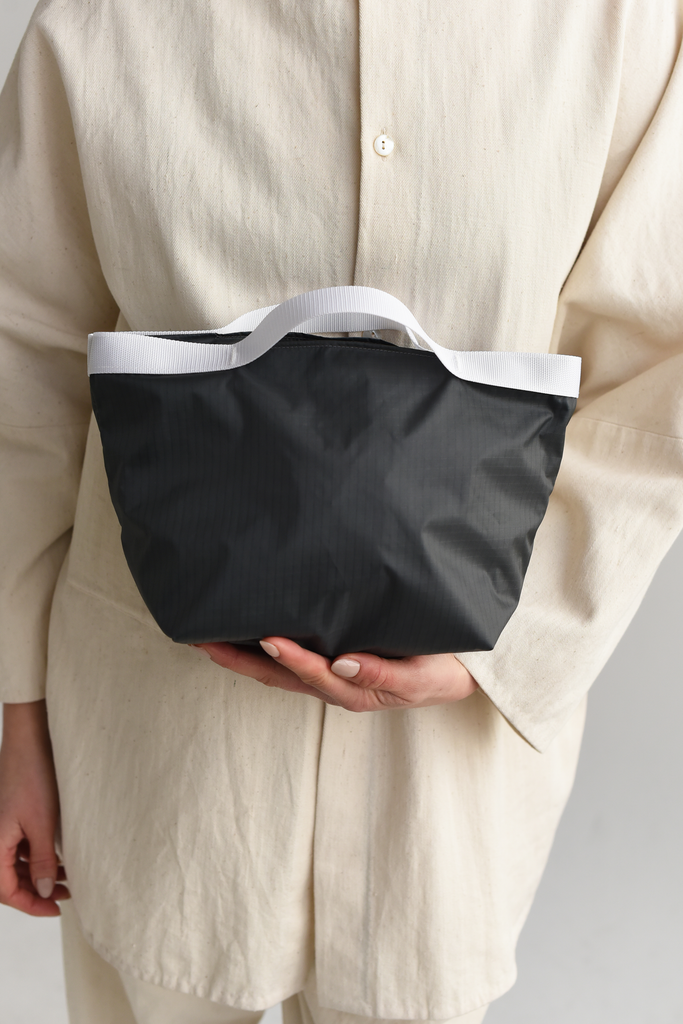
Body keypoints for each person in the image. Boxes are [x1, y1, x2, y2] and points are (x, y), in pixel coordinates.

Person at [1, 1, 682, 1022]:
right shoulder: (107, 20)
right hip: (150, 741)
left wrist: (512, 640)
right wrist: (17, 713)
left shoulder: (619, 23)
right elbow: (21, 362)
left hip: (445, 776)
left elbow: (661, 357)